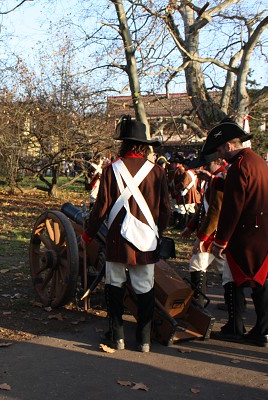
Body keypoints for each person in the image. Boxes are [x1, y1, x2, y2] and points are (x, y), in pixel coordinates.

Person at [81, 115, 170, 353]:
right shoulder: (158, 172)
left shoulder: (111, 170)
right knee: (145, 288)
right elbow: (165, 211)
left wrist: (88, 234)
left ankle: (117, 337)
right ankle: (144, 340)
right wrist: (157, 232)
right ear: (144, 145)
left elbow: (100, 208)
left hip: (117, 239)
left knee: (115, 284)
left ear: (124, 144)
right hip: (146, 240)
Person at [203, 119, 268, 347]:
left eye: (220, 150)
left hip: (246, 232)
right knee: (259, 280)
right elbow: (248, 190)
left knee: (233, 278)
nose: (220, 156)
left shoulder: (239, 166)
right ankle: (262, 328)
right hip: (263, 229)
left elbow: (233, 207)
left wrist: (220, 240)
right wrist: (218, 184)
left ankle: (236, 327)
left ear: (228, 146)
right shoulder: (257, 161)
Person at [180, 152, 227, 307]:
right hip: (211, 232)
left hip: (213, 234)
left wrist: (201, 238)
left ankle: (199, 303)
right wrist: (190, 227)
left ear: (218, 161)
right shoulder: (212, 179)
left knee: (197, 264)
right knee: (223, 270)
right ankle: (233, 302)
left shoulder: (220, 179)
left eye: (208, 164)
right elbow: (204, 209)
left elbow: (215, 212)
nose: (204, 168)